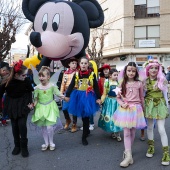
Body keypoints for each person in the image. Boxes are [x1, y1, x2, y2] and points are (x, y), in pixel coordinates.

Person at [113, 62, 146, 167]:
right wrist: (122, 104)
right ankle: (128, 156)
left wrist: (144, 110)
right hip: (125, 110)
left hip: (136, 109)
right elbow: (118, 97)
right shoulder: (122, 83)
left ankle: (128, 153)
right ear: (125, 71)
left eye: (133, 70)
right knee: (126, 133)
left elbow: (141, 98)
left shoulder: (139, 83)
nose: (131, 73)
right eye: (129, 70)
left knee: (132, 132)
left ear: (136, 72)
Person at [0, 60, 34, 157]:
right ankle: (17, 146)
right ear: (16, 74)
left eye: (26, 75)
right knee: (14, 126)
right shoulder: (7, 81)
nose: (25, 77)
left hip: (23, 104)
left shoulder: (26, 80)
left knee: (22, 125)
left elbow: (30, 91)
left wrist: (30, 102)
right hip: (11, 104)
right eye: (23, 75)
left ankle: (24, 147)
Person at [65, 56, 101, 146]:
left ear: (88, 64)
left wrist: (98, 98)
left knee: (86, 117)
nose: (83, 65)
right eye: (82, 63)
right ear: (79, 64)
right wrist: (67, 95)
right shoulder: (76, 74)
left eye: (85, 63)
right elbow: (71, 85)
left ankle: (84, 136)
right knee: (82, 116)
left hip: (88, 97)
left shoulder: (92, 74)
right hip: (78, 96)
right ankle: (87, 130)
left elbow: (96, 87)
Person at [30, 66, 64, 151]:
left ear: (48, 77)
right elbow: (36, 98)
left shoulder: (52, 86)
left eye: (43, 76)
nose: (41, 78)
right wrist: (33, 104)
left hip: (50, 107)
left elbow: (58, 93)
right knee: (43, 127)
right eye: (40, 76)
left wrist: (64, 97)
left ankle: (51, 142)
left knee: (49, 127)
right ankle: (46, 143)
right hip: (41, 108)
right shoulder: (37, 87)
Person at [144, 60, 170, 166]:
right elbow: (143, 94)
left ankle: (166, 153)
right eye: (151, 68)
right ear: (148, 69)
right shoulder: (144, 81)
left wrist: (166, 107)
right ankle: (151, 147)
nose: (153, 70)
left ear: (158, 69)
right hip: (149, 105)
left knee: (161, 129)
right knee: (149, 127)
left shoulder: (162, 80)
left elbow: (165, 94)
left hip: (160, 105)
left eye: (156, 68)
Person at [98, 69, 122, 141]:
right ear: (110, 75)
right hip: (109, 102)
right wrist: (101, 101)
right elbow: (104, 93)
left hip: (117, 102)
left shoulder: (118, 82)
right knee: (111, 117)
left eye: (117, 75)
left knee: (118, 117)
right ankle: (113, 131)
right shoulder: (107, 82)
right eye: (115, 75)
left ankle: (117, 133)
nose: (116, 76)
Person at [60, 57, 78, 132]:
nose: (74, 65)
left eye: (75, 63)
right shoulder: (65, 73)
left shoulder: (78, 73)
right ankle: (68, 120)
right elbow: (62, 84)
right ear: (69, 64)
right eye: (73, 63)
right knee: (64, 108)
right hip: (67, 92)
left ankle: (74, 124)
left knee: (74, 109)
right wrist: (61, 94)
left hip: (75, 91)